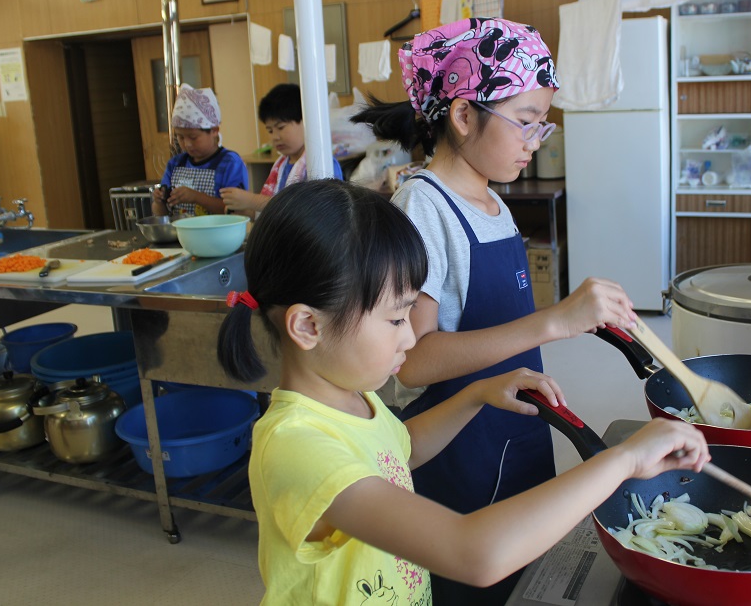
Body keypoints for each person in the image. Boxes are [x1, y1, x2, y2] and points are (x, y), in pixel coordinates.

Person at [216, 179, 709, 605]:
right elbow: (472, 553)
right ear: (307, 326)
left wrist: (477, 394)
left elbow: (399, 449)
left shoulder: (350, 398)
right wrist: (622, 460)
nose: (410, 337)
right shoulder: (296, 445)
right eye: (394, 319)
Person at [351, 17, 638, 603]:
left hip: (515, 427)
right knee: (472, 583)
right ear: (462, 116)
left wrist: (581, 320)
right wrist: (553, 320)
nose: (536, 142)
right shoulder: (423, 208)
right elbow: (416, 361)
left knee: (523, 575)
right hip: (459, 450)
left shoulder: (492, 201)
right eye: (526, 122)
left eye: (542, 125)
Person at [220, 83, 343, 218]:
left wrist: (252, 201)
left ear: (306, 121)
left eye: (281, 127)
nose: (275, 137)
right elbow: (275, 213)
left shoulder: (322, 164)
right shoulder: (281, 165)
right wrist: (244, 211)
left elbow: (309, 211)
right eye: (270, 130)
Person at [151, 83, 248, 217]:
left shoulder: (230, 163)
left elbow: (237, 210)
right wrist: (158, 202)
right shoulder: (175, 164)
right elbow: (162, 215)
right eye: (180, 137)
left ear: (214, 130)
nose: (187, 144)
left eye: (193, 137)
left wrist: (196, 197)